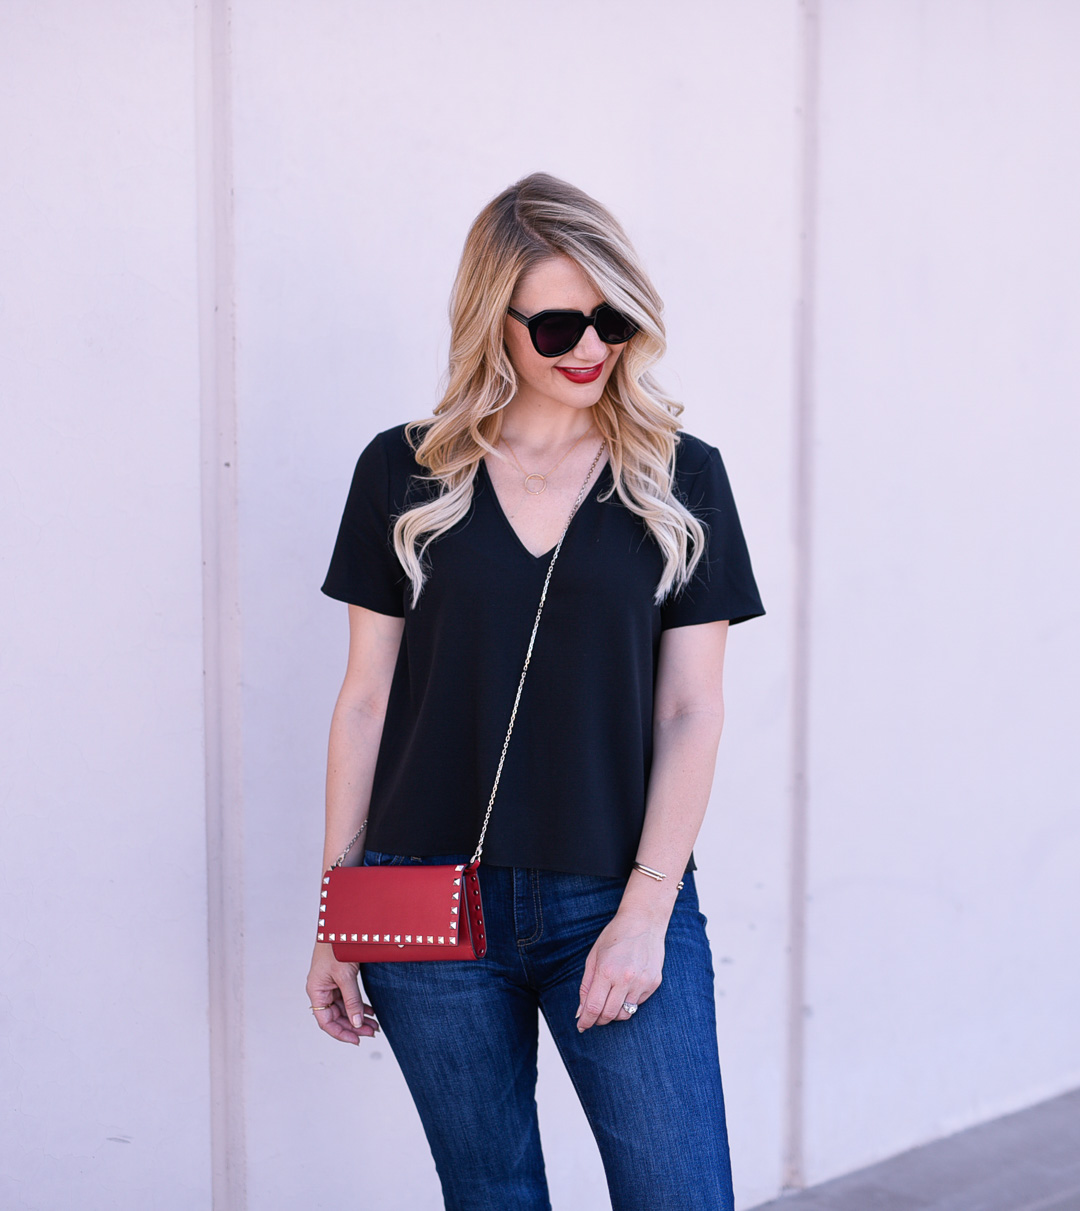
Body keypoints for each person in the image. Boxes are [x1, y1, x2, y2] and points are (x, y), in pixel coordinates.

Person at [306, 172, 764, 1211]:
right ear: (493, 323)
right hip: (426, 899)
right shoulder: (404, 473)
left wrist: (648, 911)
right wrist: (339, 914)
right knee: (492, 1192)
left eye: (610, 317)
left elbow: (692, 708)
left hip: (614, 888)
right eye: (558, 323)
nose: (590, 346)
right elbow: (365, 700)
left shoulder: (680, 478)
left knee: (680, 1192)